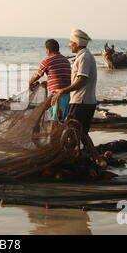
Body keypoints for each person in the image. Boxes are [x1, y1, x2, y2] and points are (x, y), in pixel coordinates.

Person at [51, 29, 106, 167]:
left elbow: (82, 80)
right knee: (80, 133)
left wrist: (62, 90)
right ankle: (98, 159)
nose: (69, 45)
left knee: (73, 131)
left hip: (81, 101)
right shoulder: (84, 56)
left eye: (71, 42)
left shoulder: (84, 58)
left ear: (76, 43)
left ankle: (68, 158)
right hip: (84, 100)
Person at [29, 39, 71, 123]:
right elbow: (60, 76)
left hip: (56, 96)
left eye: (45, 49)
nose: (45, 52)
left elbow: (37, 75)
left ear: (48, 50)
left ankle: (53, 136)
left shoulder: (47, 60)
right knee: (61, 121)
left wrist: (29, 83)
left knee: (54, 122)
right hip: (67, 95)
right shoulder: (66, 60)